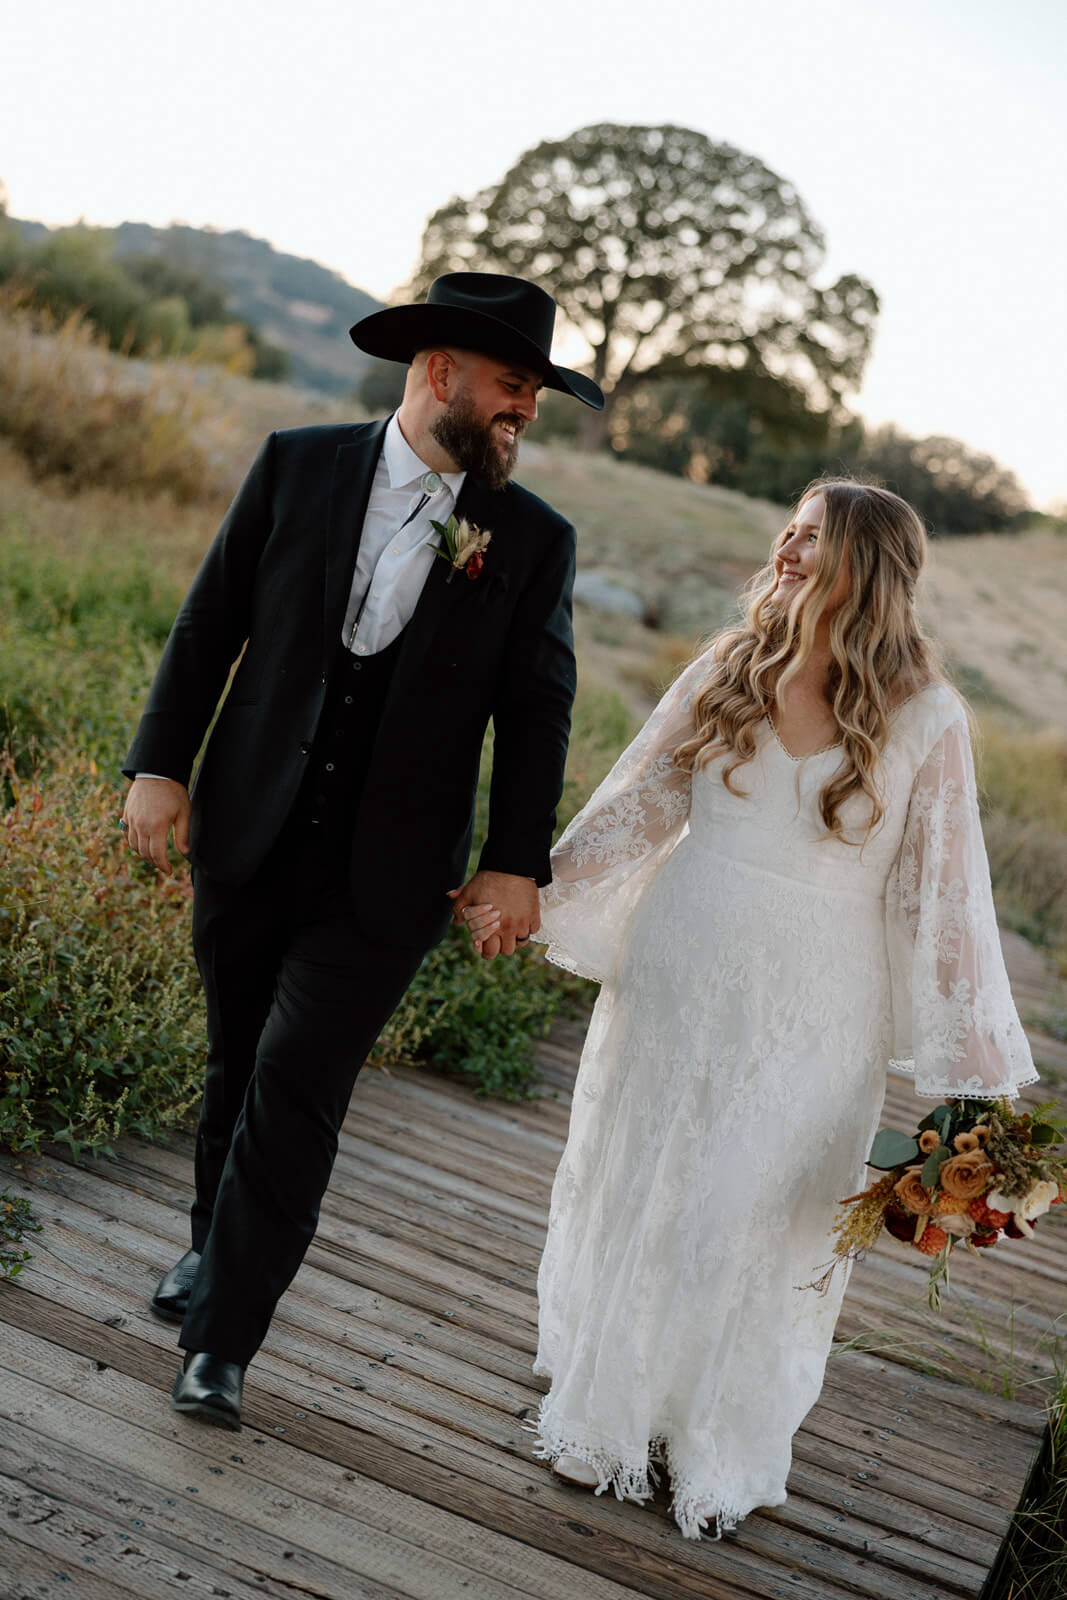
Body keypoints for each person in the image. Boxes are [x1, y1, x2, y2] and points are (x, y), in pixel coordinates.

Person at [463, 481, 1038, 1540]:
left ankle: (715, 1439)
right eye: (786, 530)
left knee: (749, 1215)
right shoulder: (729, 667)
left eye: (810, 539)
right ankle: (613, 1408)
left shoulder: (925, 715)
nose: (784, 549)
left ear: (863, 567)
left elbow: (948, 902)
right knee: (656, 1179)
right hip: (680, 973)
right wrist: (524, 885)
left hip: (816, 1003)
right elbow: (635, 807)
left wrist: (967, 1089)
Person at [120, 272, 604, 1429]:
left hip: (386, 875)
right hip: (247, 829)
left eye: (532, 392)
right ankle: (207, 1255)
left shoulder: (528, 539)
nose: (522, 410)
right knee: (236, 1060)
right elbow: (211, 619)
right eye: (508, 385)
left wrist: (513, 859)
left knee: (296, 1090)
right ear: (437, 372)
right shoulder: (296, 463)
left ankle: (223, 1341)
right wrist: (159, 763)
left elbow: (539, 707)